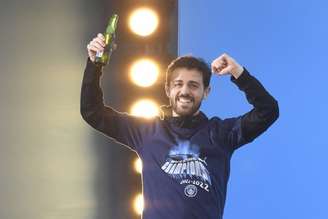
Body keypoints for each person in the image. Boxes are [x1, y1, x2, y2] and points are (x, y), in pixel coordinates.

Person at [80, 33, 279, 219]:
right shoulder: (146, 131)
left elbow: (268, 111)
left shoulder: (222, 134)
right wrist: (95, 64)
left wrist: (239, 73)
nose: (185, 91)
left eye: (193, 85)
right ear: (167, 89)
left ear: (206, 92)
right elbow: (93, 112)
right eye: (178, 84)